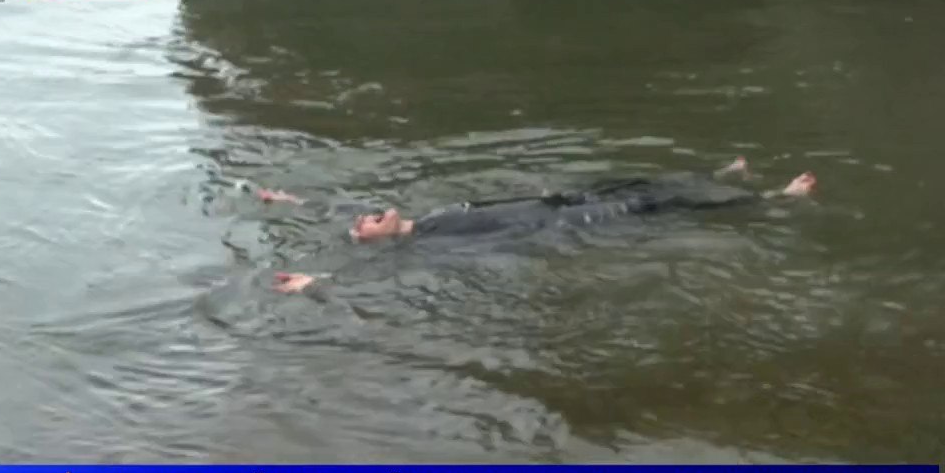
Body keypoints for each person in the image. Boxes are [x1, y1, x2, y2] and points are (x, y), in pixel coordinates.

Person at [260, 158, 817, 293]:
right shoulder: (424, 248)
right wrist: (318, 283)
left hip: (562, 200)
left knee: (640, 185)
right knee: (655, 208)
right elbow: (366, 280)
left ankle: (714, 174)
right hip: (574, 221)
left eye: (364, 215)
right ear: (373, 241)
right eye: (363, 226)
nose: (363, 215)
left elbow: (333, 211)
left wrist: (289, 199)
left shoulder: (422, 220)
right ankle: (774, 198)